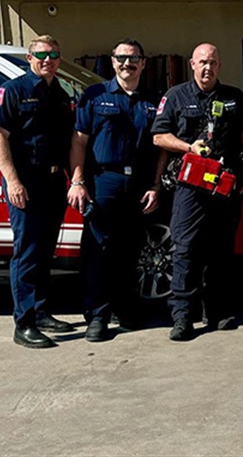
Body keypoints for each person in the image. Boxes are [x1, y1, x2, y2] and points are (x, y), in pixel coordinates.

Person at [152, 43, 243, 341]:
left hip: (225, 185)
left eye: (212, 62)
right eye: (202, 62)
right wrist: (189, 147)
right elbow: (159, 137)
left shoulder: (234, 98)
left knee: (222, 249)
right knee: (185, 248)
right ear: (192, 64)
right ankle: (183, 317)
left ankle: (219, 311)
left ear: (219, 65)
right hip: (190, 187)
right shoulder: (175, 96)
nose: (207, 67)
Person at [68, 38, 166, 342]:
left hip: (138, 184)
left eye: (134, 58)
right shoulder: (95, 96)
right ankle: (97, 317)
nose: (128, 63)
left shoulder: (154, 100)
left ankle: (125, 310)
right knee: (99, 252)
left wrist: (155, 185)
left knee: (130, 251)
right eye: (122, 58)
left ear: (144, 63)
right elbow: (79, 141)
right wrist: (77, 180)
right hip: (104, 182)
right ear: (112, 62)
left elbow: (161, 147)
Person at [0, 34, 76, 349]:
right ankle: (23, 322)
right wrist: (12, 181)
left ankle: (41, 312)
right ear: (29, 58)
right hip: (26, 183)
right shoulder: (13, 91)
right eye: (41, 55)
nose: (47, 60)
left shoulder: (61, 94)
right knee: (26, 252)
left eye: (53, 54)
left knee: (44, 250)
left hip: (54, 182)